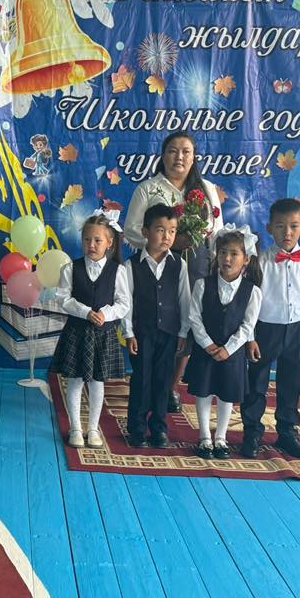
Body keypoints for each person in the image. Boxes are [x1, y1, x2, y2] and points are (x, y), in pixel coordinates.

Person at [122, 131, 224, 412]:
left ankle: (171, 387)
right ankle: (149, 384)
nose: (179, 157)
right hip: (159, 262)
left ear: (194, 157)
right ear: (163, 155)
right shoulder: (148, 189)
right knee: (160, 321)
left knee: (188, 322)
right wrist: (167, 242)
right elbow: (131, 230)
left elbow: (217, 231)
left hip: (197, 262)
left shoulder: (207, 189)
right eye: (173, 150)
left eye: (186, 151)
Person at [241, 199, 300, 459]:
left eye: (294, 226)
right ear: (269, 228)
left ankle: (288, 432)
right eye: (280, 226)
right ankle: (252, 432)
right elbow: (250, 304)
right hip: (265, 330)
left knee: (291, 383)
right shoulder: (260, 263)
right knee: (256, 382)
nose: (287, 232)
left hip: (297, 330)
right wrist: (250, 337)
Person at [49, 209, 130, 449]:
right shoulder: (70, 269)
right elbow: (63, 299)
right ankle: (75, 428)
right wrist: (85, 312)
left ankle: (93, 428)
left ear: (109, 243)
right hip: (77, 332)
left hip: (103, 335)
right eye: (87, 239)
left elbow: (124, 303)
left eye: (97, 240)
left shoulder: (118, 271)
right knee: (75, 381)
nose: (91, 245)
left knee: (97, 381)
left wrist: (106, 314)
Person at [184, 224, 263, 460]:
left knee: (227, 393)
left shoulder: (252, 292)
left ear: (246, 259)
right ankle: (204, 437)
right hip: (205, 350)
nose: (227, 258)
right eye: (223, 252)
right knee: (204, 391)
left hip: (232, 353)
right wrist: (207, 344)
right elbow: (194, 318)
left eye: (234, 254)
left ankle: (221, 437)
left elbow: (248, 326)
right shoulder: (202, 285)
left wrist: (229, 349)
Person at [122, 204, 192, 449]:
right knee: (142, 379)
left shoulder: (179, 265)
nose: (166, 236)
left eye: (172, 231)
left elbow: (184, 299)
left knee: (163, 381)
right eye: (160, 230)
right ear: (145, 232)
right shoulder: (131, 265)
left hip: (169, 332)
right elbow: (127, 302)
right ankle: (137, 428)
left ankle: (159, 428)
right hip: (142, 333)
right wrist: (129, 332)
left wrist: (183, 331)